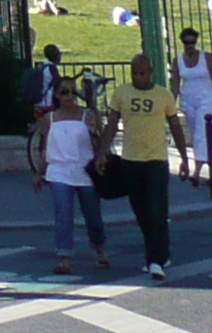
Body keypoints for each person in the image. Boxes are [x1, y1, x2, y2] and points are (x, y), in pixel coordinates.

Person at [106, 53, 186, 280]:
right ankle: (160, 252)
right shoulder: (122, 92)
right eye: (134, 73)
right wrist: (103, 151)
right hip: (131, 160)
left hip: (156, 160)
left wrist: (184, 157)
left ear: (150, 72)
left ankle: (155, 260)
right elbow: (112, 122)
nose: (138, 78)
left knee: (157, 211)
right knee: (141, 212)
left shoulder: (164, 95)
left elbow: (175, 125)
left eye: (142, 73)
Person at [34, 82, 110, 274]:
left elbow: (99, 141)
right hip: (59, 171)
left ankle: (99, 249)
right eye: (64, 92)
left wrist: (95, 131)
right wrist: (40, 173)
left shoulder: (87, 115)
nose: (69, 96)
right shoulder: (50, 119)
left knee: (92, 216)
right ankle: (65, 257)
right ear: (57, 96)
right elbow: (45, 148)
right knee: (63, 215)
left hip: (84, 170)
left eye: (72, 92)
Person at [175, 30, 212, 187]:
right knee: (197, 133)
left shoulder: (207, 58)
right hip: (188, 101)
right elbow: (175, 83)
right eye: (186, 43)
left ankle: (196, 172)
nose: (190, 46)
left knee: (201, 133)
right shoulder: (178, 60)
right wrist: (171, 103)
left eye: (192, 42)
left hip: (207, 99)